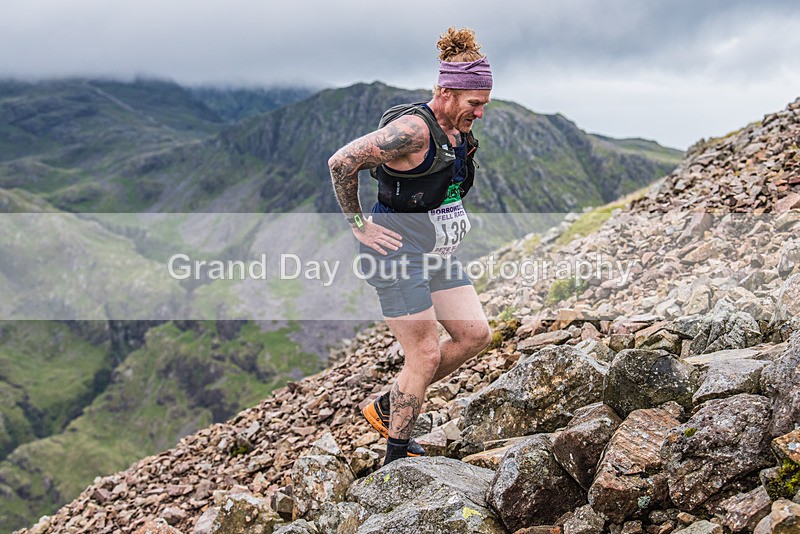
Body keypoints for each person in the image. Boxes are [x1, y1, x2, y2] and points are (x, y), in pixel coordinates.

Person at [328, 27, 493, 465]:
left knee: (475, 334)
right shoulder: (411, 133)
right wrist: (358, 224)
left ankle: (390, 403)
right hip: (396, 256)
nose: (479, 113)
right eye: (474, 104)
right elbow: (342, 162)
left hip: (435, 252)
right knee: (423, 353)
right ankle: (397, 457)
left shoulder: (457, 132)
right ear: (446, 91)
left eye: (483, 104)